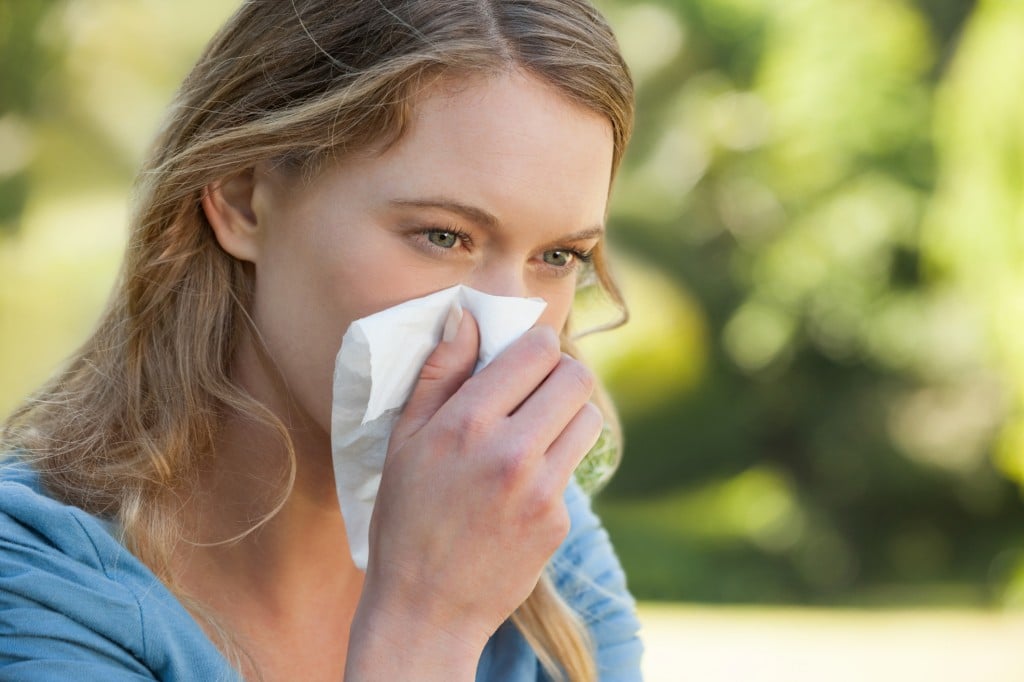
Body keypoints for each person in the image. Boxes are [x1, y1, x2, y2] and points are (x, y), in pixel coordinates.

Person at [0, 1, 640, 680]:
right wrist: (427, 622)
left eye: (561, 256)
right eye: (444, 236)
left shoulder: (531, 540)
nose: (505, 328)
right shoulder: (40, 579)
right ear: (244, 199)